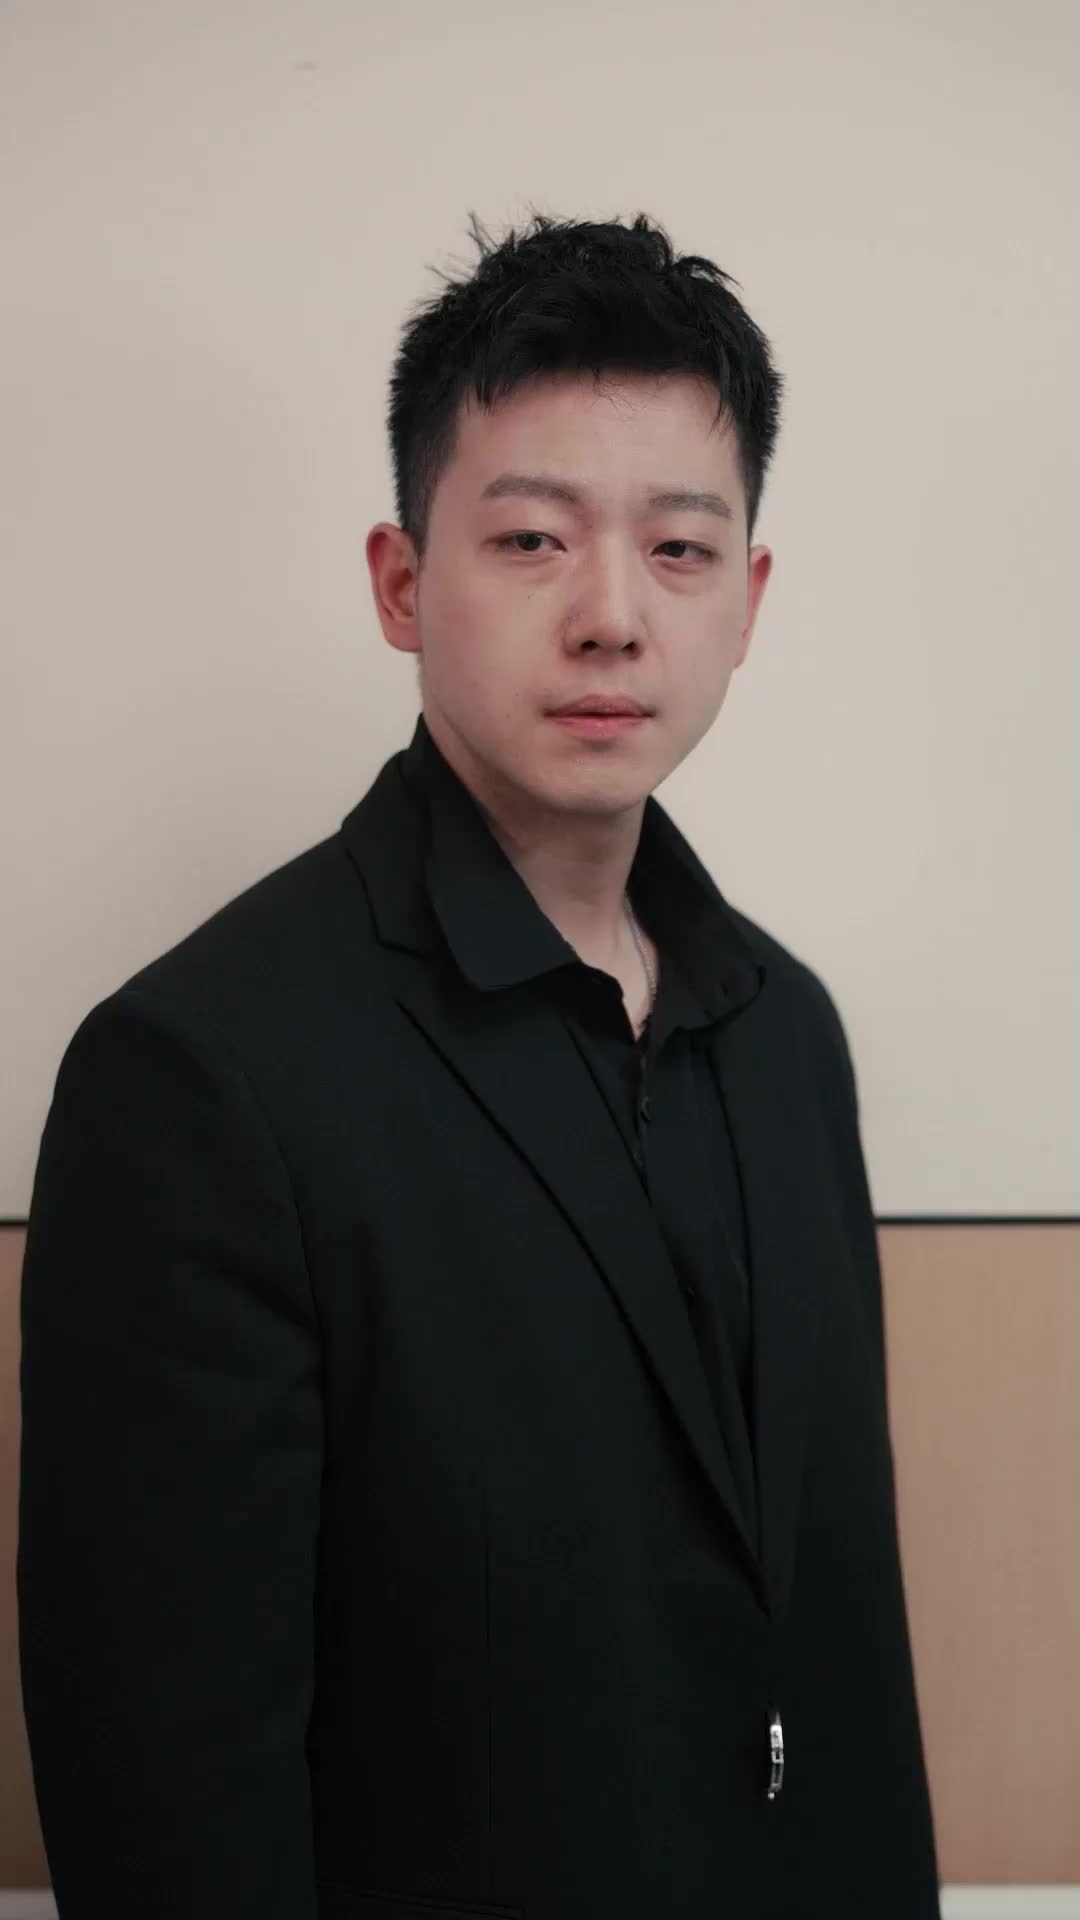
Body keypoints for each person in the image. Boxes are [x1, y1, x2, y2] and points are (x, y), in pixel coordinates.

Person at [17, 210, 941, 1918]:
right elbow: (167, 1791)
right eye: (530, 539)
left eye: (680, 549)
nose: (611, 617)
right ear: (400, 582)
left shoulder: (788, 1032)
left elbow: (835, 1652)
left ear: (749, 602)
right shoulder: (201, 1077)